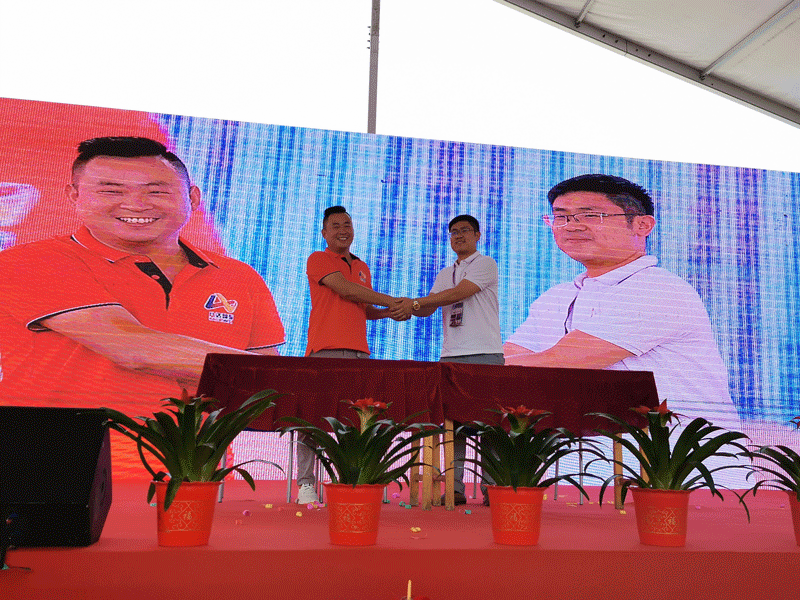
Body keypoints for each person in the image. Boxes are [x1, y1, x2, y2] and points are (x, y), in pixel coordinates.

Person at [0, 137, 285, 474]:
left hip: (197, 471)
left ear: (193, 198)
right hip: (58, 465)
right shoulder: (31, 261)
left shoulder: (238, 276)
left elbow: (264, 386)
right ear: (74, 196)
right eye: (111, 191)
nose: (135, 205)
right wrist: (311, 381)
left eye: (156, 191)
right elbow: (133, 348)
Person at [504, 174, 735, 426]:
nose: (571, 226)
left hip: (671, 448)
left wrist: (472, 370)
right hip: (587, 447)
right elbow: (504, 359)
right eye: (561, 217)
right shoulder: (557, 296)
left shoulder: (657, 289)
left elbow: (559, 364)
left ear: (642, 225)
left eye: (590, 215)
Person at [298, 205, 406, 503]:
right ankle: (306, 484)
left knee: (356, 422)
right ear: (324, 233)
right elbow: (346, 291)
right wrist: (393, 300)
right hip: (324, 351)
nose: (343, 230)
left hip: (359, 354)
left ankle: (349, 481)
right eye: (335, 226)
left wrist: (390, 312)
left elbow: (364, 307)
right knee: (313, 421)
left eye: (347, 224)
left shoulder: (362, 266)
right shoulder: (318, 259)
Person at [393, 215, 503, 505]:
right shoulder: (445, 272)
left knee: (489, 424)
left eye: (465, 230)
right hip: (451, 356)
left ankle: (491, 488)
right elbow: (428, 308)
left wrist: (417, 302)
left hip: (484, 353)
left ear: (477, 235)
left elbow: (459, 293)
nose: (458, 236)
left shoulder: (485, 264)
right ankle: (454, 488)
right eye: (453, 232)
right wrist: (402, 306)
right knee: (454, 425)